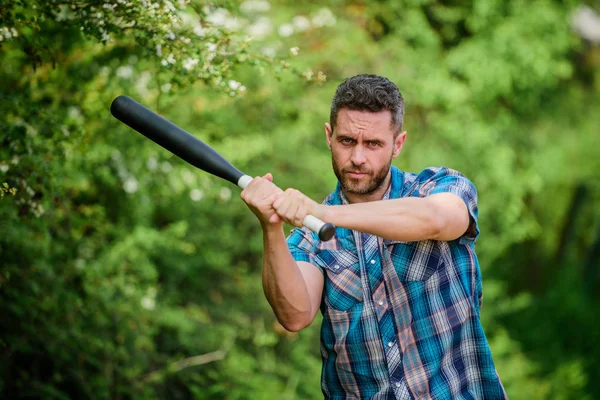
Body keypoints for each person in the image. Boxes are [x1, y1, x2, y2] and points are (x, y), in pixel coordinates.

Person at [240, 74, 507, 399]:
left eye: (374, 144)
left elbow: (436, 219)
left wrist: (323, 214)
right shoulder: (309, 239)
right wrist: (271, 227)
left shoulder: (438, 187)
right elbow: (294, 316)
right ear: (329, 136)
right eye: (347, 141)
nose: (358, 158)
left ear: (398, 143)